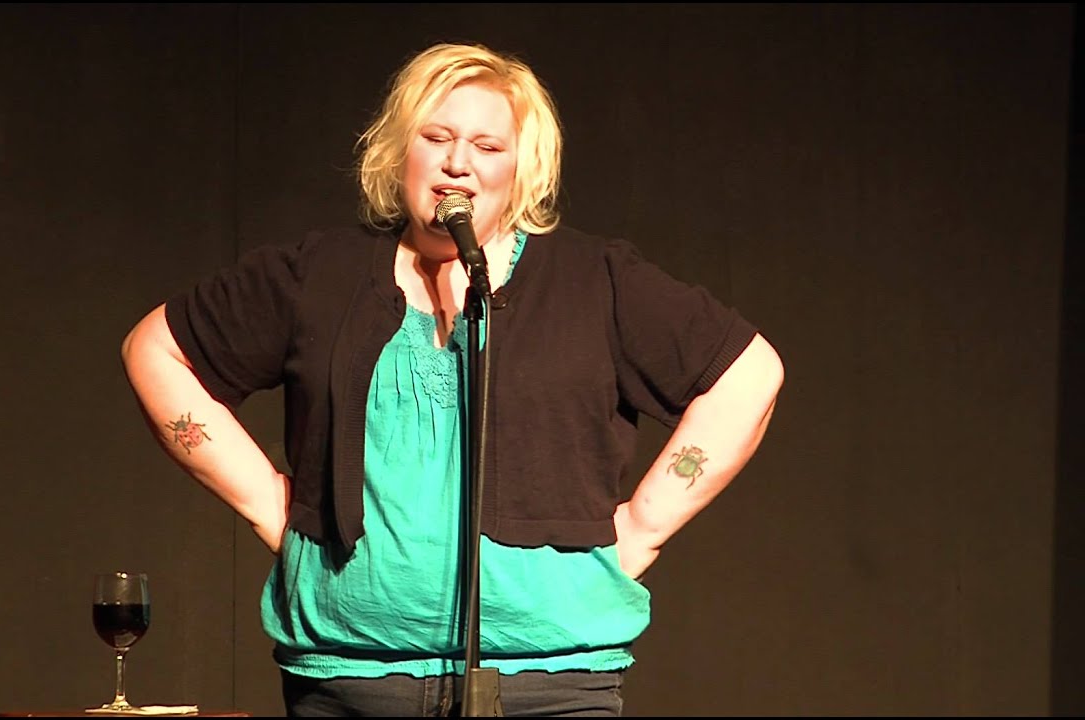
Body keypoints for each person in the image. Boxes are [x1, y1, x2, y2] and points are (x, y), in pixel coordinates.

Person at [121, 41, 784, 718]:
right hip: (350, 681)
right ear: (397, 151)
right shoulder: (318, 275)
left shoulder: (594, 281)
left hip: (552, 682)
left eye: (487, 146)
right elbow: (155, 351)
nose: (457, 162)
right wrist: (268, 503)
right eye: (435, 137)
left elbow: (747, 374)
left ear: (520, 167)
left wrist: (644, 525)